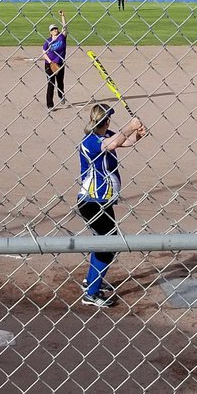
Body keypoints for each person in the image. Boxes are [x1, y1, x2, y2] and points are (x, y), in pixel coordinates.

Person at [76, 103, 147, 307]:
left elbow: (126, 142)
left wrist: (138, 133)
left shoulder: (106, 135)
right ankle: (91, 293)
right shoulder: (91, 141)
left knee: (104, 242)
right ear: (104, 120)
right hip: (91, 202)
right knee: (109, 246)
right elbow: (113, 145)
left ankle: (91, 282)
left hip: (102, 202)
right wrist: (130, 125)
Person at [42, 10, 68, 109]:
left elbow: (65, 27)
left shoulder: (62, 37)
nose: (55, 30)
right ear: (50, 32)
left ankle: (61, 96)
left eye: (56, 28)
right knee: (51, 83)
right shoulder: (48, 41)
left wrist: (62, 16)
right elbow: (43, 52)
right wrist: (50, 62)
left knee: (60, 82)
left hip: (60, 63)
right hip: (49, 64)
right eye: (53, 29)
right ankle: (50, 105)